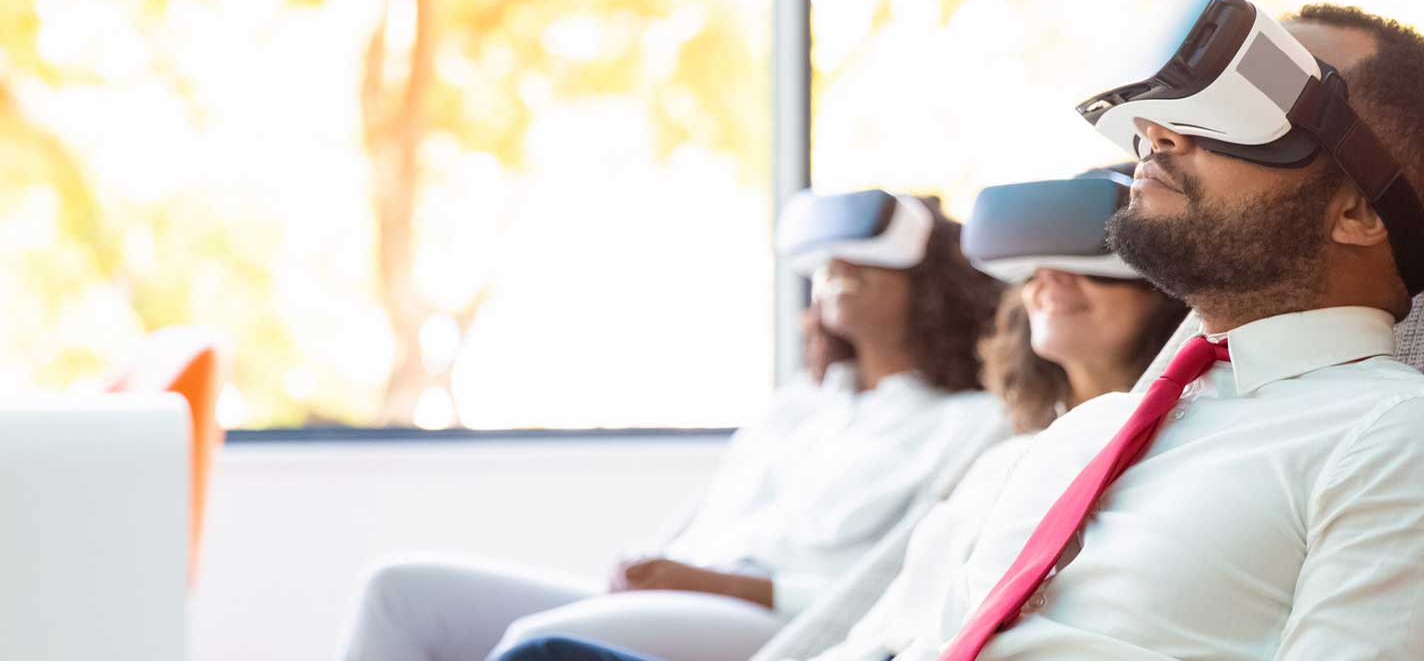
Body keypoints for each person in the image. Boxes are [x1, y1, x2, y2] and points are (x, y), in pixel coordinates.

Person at [916, 0, 1424, 659]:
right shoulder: (1087, 433)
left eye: (1247, 99)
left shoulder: (1410, 447)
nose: (1156, 130)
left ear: (1358, 213)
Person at [490, 170, 1192, 661]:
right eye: (1037, 269)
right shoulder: (1002, 457)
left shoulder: (987, 430)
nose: (1053, 282)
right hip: (832, 644)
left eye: (1091, 263)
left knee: (537, 649)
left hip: (764, 617)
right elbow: (887, 614)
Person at [343, 192, 1005, 661]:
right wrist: (656, 568)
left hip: (774, 623)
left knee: (537, 647)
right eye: (831, 261)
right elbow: (705, 528)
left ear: (931, 285)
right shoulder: (799, 408)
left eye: (866, 261)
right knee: (398, 592)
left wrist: (715, 585)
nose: (839, 271)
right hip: (686, 594)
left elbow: (891, 592)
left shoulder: (969, 425)